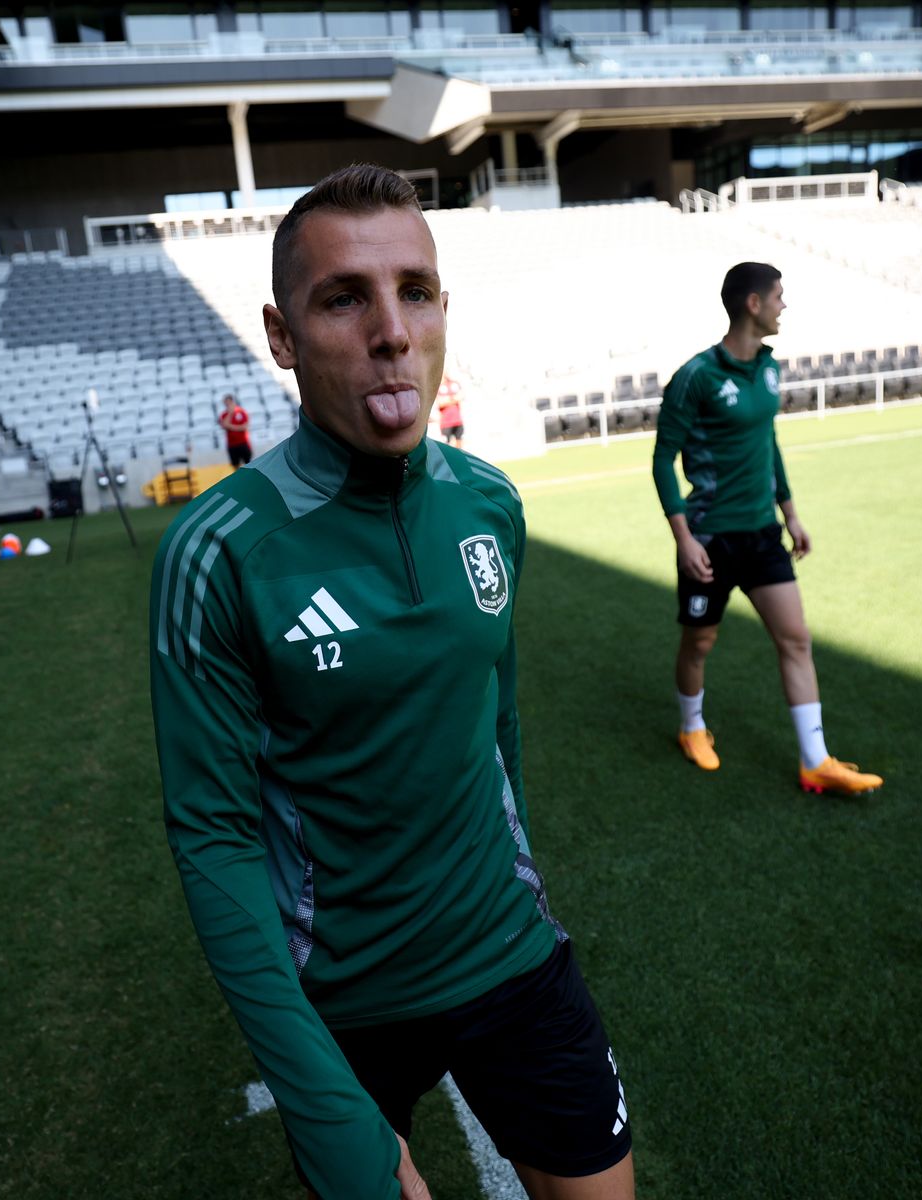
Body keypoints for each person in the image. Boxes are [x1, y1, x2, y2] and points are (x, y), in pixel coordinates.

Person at [151, 165, 634, 1200]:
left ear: (442, 312)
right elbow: (215, 836)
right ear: (282, 337)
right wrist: (323, 1107)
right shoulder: (218, 552)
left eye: (414, 291)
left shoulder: (490, 506)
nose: (391, 330)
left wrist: (519, 893)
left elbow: (496, 729)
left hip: (512, 962)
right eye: (344, 298)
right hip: (344, 1004)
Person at [652, 262, 882, 796]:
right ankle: (691, 729)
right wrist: (683, 539)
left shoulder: (770, 369)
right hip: (709, 539)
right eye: (778, 297)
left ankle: (815, 760)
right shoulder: (697, 376)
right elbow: (663, 460)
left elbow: (767, 443)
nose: (784, 306)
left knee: (795, 639)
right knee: (700, 643)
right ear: (752, 304)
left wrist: (791, 512)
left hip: (762, 534)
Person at [217, 392, 252, 467]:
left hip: (243, 442)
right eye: (225, 403)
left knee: (248, 463)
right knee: (235, 465)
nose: (227, 405)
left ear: (232, 401)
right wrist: (230, 414)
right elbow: (224, 425)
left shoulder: (241, 412)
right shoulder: (224, 414)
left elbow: (245, 426)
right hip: (232, 444)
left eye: (228, 402)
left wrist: (231, 427)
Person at [437, 374, 464, 448]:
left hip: (457, 421)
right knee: (446, 446)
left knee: (459, 445)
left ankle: (459, 459)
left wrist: (449, 401)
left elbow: (461, 396)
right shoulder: (439, 388)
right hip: (446, 423)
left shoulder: (454, 385)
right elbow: (440, 403)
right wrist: (453, 401)